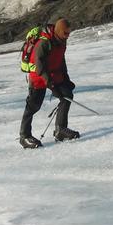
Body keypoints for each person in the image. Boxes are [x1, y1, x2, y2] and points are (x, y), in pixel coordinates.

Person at [19, 18, 77, 149]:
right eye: (66, 33)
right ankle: (24, 136)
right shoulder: (43, 43)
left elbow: (61, 61)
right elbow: (39, 67)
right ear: (59, 31)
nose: (68, 36)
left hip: (54, 74)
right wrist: (50, 85)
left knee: (67, 96)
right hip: (39, 77)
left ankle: (60, 129)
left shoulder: (61, 41)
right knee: (33, 106)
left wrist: (66, 79)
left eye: (69, 33)